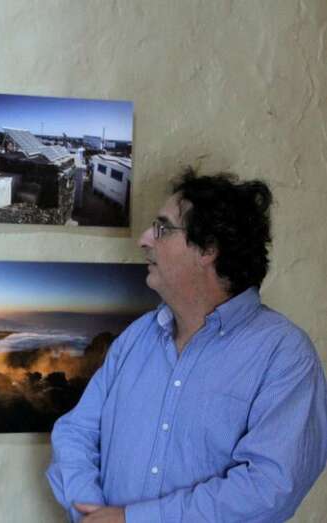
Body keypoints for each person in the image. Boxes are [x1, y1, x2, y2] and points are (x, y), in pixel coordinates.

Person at [47, 169, 327, 522]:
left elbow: (268, 489)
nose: (145, 239)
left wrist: (133, 519)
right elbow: (76, 432)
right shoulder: (137, 337)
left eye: (162, 228)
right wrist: (89, 508)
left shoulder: (284, 355)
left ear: (208, 248)